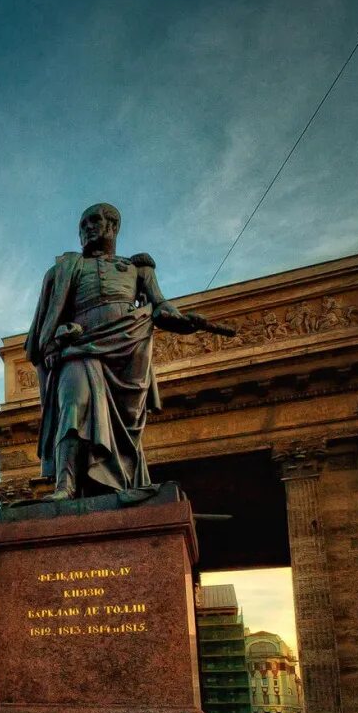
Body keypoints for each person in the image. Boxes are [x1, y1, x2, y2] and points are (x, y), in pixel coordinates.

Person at [27, 203, 225, 500]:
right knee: (73, 405)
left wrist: (184, 321)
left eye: (95, 221)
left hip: (127, 350)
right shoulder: (65, 269)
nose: (88, 228)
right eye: (83, 225)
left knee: (125, 426)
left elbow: (160, 307)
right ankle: (65, 486)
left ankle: (119, 482)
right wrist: (55, 337)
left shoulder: (137, 269)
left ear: (113, 226)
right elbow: (46, 321)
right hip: (79, 348)